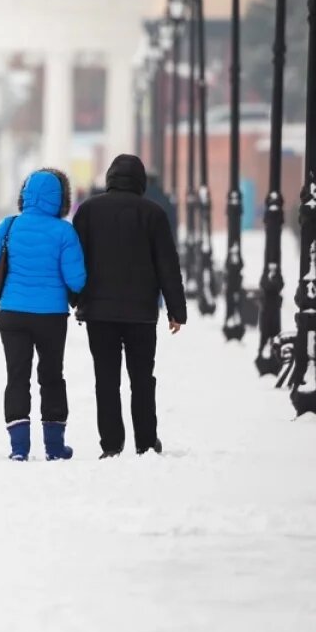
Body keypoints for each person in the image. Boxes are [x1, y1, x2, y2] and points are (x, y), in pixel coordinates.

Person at [72, 154, 187, 458]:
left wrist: (75, 299)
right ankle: (146, 441)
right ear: (140, 182)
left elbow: (75, 262)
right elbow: (167, 265)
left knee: (106, 380)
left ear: (109, 178)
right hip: (142, 314)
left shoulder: (87, 212)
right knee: (142, 379)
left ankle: (111, 444)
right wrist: (176, 310)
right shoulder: (154, 213)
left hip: (99, 313)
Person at [0, 169, 87, 461]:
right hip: (51, 316)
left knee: (17, 376)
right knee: (52, 376)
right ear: (61, 199)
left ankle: (19, 448)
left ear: (24, 195)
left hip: (12, 315)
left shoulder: (9, 226)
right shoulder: (64, 231)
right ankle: (54, 448)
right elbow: (77, 281)